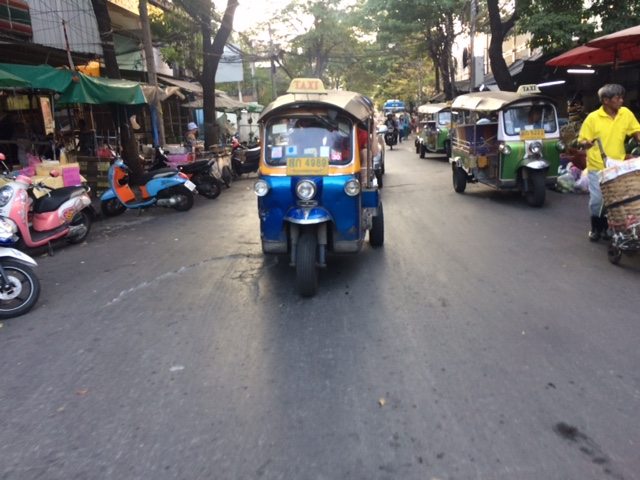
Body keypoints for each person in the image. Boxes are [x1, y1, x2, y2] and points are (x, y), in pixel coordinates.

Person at [578, 84, 640, 241]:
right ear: (606, 100)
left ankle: (608, 227)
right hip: (597, 167)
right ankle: (596, 228)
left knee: (616, 200)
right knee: (597, 201)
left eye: (621, 97)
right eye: (618, 98)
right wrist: (586, 143)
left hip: (618, 167)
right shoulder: (593, 118)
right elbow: (582, 140)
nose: (621, 101)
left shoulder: (625, 113)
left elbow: (636, 131)